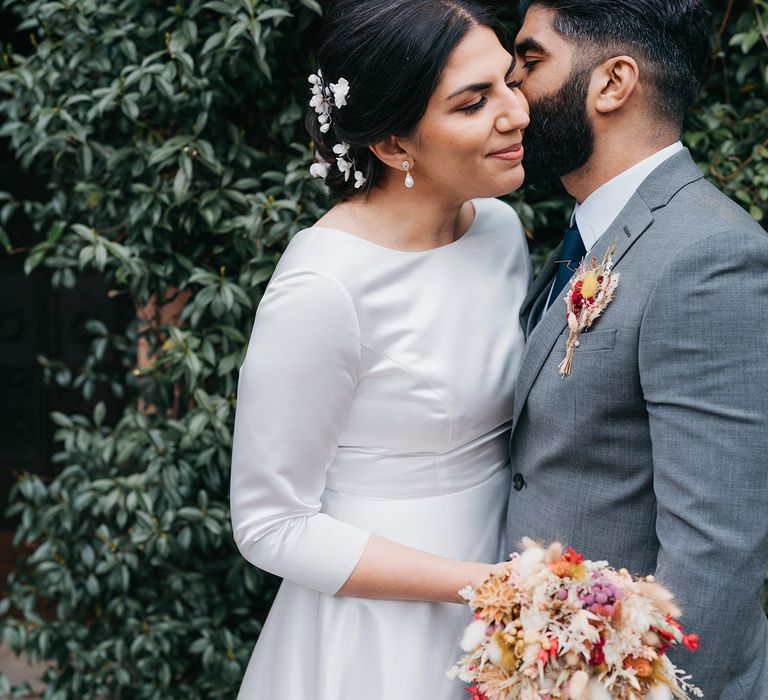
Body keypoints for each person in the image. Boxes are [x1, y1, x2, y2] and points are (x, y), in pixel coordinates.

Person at [229, 1, 531, 697]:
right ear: (394, 146)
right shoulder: (324, 285)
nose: (515, 112)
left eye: (510, 82)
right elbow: (270, 524)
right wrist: (478, 586)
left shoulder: (500, 229)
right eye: (472, 103)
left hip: (513, 599)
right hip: (386, 629)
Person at [505, 1, 768, 697]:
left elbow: (717, 553)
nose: (510, 89)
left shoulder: (709, 255)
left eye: (529, 62)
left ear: (613, 83)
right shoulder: (592, 234)